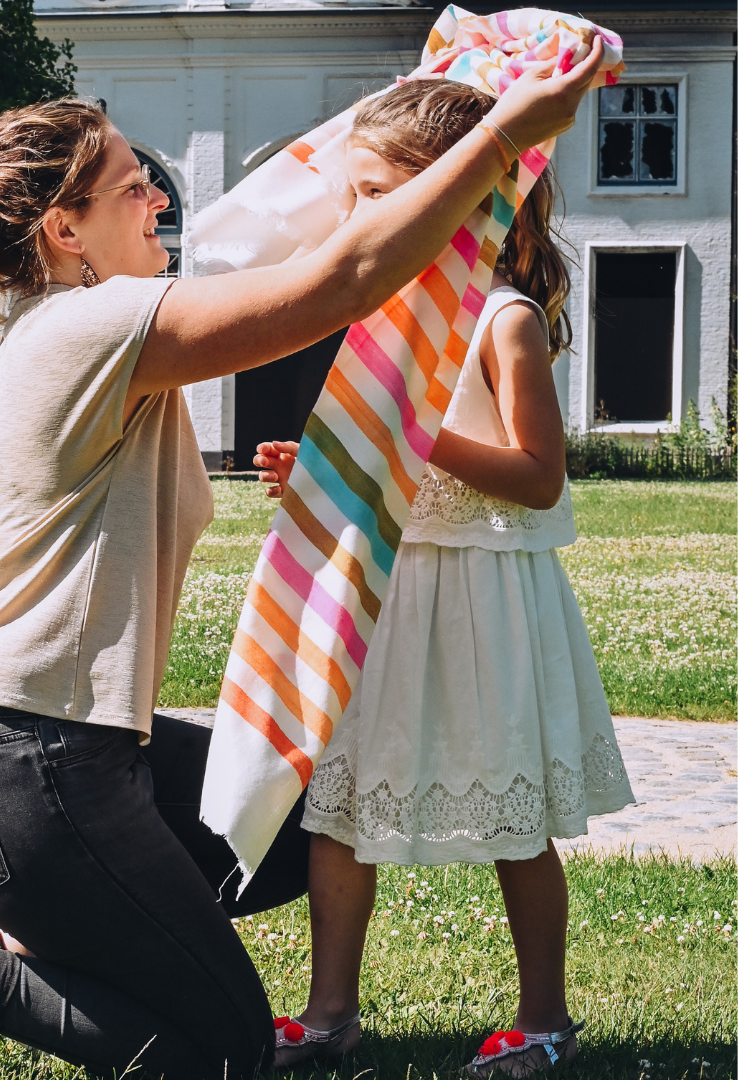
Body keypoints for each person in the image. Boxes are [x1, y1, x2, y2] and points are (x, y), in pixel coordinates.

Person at [0, 47, 606, 1080]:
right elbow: (340, 275)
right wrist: (501, 138)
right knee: (217, 1055)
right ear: (66, 231)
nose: (158, 193)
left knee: (285, 818)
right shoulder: (95, 324)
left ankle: (51, 937)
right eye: (131, 182)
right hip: (16, 756)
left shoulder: (94, 325)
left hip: (68, 752)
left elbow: (300, 253)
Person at [254, 80, 635, 1074]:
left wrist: (422, 444)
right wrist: (317, 474)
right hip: (377, 586)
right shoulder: (378, 315)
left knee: (512, 814)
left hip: (480, 593)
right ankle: (329, 1012)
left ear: (453, 194)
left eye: (374, 193)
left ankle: (544, 1021)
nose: (354, 215)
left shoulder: (502, 319)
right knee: (339, 805)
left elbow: (540, 479)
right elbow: (376, 456)